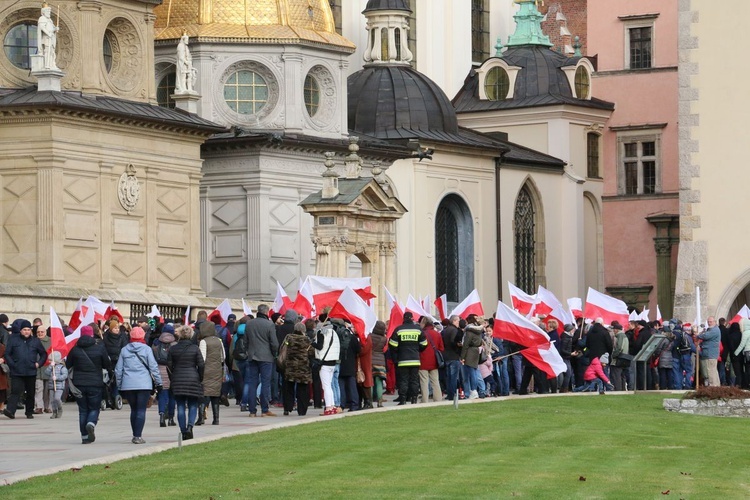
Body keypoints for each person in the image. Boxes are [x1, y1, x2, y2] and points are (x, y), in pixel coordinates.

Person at [115, 326, 162, 444]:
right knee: (141, 410)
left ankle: (134, 434)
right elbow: (153, 367)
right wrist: (159, 382)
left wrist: (119, 385)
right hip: (143, 384)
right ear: (142, 336)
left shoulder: (124, 350)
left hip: (128, 383)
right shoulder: (146, 349)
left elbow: (118, 369)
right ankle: (138, 436)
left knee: (133, 410)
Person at [66, 325, 110, 443]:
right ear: (92, 334)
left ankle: (84, 437)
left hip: (79, 383)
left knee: (83, 410)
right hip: (95, 382)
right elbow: (107, 364)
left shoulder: (75, 349)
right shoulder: (99, 348)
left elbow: (68, 365)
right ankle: (91, 423)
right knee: (94, 408)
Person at [3, 319, 48, 419]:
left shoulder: (35, 341)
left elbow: (43, 354)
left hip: (31, 371)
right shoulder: (13, 340)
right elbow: (7, 354)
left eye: (28, 329)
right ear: (21, 330)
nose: (26, 331)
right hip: (17, 371)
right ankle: (10, 411)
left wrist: (38, 364)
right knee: (15, 391)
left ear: (30, 330)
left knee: (30, 393)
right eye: (24, 329)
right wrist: (12, 364)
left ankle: (29, 412)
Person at [168, 325, 204, 440]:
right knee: (193, 404)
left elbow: (168, 366)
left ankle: (183, 430)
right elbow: (201, 364)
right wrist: (200, 377)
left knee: (180, 405)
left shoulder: (173, 349)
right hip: (193, 378)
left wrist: (172, 377)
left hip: (178, 378)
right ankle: (190, 427)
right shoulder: (195, 348)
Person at [245, 304, 279, 417]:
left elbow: (245, 340)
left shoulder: (249, 323)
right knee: (265, 383)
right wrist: (275, 353)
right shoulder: (269, 324)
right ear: (266, 312)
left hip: (252, 355)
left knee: (252, 383)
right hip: (266, 357)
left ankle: (252, 411)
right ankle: (264, 409)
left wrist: (248, 351)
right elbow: (274, 343)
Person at [389, 312, 427, 405]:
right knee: (414, 380)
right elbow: (424, 344)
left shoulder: (398, 329)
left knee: (403, 380)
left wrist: (398, 351)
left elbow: (392, 344)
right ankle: (414, 400)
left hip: (403, 360)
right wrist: (417, 350)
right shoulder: (418, 329)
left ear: (404, 318)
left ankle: (403, 400)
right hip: (415, 360)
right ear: (412, 318)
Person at [312, 315, 341, 416]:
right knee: (329, 385)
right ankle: (332, 405)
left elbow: (320, 346)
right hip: (332, 361)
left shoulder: (321, 332)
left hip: (324, 361)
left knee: (326, 386)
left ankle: (328, 407)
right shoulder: (334, 332)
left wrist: (312, 343)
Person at [197, 320, 224, 425]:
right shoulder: (219, 341)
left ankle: (201, 418)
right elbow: (223, 357)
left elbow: (202, 359)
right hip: (217, 371)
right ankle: (216, 419)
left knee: (204, 394)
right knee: (215, 395)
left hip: (206, 372)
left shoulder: (204, 342)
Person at [282, 322, 312, 416]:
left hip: (290, 366)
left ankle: (287, 407)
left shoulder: (288, 338)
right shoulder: (307, 340)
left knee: (288, 388)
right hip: (303, 368)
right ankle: (302, 410)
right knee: (303, 389)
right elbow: (311, 352)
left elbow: (283, 348)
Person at [153, 324, 177, 427]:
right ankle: (171, 418)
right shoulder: (175, 343)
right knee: (172, 395)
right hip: (172, 371)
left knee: (162, 394)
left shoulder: (156, 343)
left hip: (160, 370)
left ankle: (162, 415)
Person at [419, 316, 444, 403]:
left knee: (424, 382)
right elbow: (441, 348)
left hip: (423, 361)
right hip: (434, 361)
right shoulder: (437, 334)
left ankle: (424, 400)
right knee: (435, 381)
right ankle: (438, 399)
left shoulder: (422, 334)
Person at [460, 320, 484, 399]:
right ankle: (474, 391)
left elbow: (465, 345)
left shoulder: (469, 333)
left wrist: (462, 357)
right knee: (473, 371)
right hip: (476, 351)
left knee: (471, 373)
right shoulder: (479, 332)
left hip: (469, 352)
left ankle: (473, 390)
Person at [441, 315, 463, 400]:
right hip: (454, 355)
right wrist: (458, 345)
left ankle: (450, 393)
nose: (458, 323)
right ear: (454, 321)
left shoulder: (445, 330)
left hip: (446, 356)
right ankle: (453, 394)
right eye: (457, 321)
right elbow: (453, 341)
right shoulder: (454, 330)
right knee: (453, 377)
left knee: (449, 377)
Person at [697, 316, 721, 387]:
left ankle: (713, 386)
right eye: (708, 322)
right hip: (709, 353)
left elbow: (705, 336)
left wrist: (699, 334)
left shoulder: (714, 330)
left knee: (711, 371)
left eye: (711, 322)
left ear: (715, 322)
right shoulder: (710, 330)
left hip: (711, 353)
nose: (709, 323)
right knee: (713, 370)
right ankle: (716, 386)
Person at [370, 320, 388, 407]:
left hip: (371, 360)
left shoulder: (370, 337)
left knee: (370, 382)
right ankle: (380, 400)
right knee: (379, 382)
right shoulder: (384, 339)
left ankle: (370, 401)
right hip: (380, 361)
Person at [44, 351, 68, 418]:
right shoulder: (51, 367)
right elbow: (46, 373)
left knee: (57, 398)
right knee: (52, 400)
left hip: (59, 386)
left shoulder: (62, 367)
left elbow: (65, 376)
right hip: (51, 386)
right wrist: (50, 366)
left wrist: (57, 378)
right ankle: (54, 412)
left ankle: (60, 409)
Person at [34, 325, 51, 413]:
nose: (40, 334)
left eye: (42, 332)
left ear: (45, 332)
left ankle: (47, 406)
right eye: (38, 332)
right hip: (37, 369)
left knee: (47, 390)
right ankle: (39, 407)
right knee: (38, 389)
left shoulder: (51, 341)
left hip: (48, 369)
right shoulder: (33, 341)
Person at [609, 321, 630, 391]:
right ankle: (623, 389)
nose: (613, 330)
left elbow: (619, 348)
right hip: (624, 359)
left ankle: (618, 390)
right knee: (622, 376)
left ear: (616, 329)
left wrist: (613, 355)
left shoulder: (620, 336)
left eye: (614, 329)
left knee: (616, 376)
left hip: (618, 360)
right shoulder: (624, 336)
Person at [37, 5, 59, 70]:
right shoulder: (42, 18)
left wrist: (55, 29)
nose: (49, 13)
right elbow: (42, 27)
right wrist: (48, 33)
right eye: (48, 11)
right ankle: (47, 64)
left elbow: (52, 28)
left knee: (52, 52)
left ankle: (52, 64)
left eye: (49, 12)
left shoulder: (50, 20)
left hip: (51, 38)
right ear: (44, 12)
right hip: (46, 38)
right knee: (47, 51)